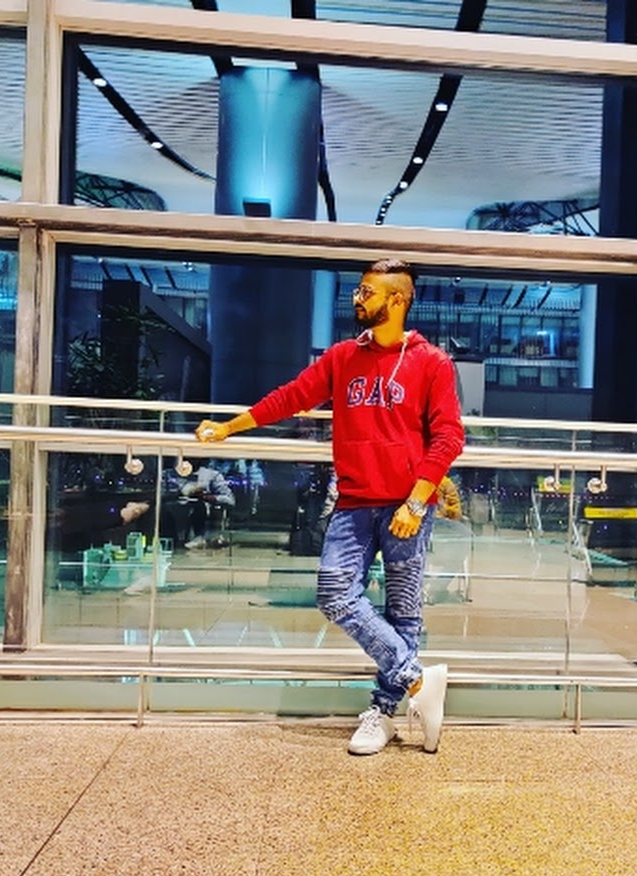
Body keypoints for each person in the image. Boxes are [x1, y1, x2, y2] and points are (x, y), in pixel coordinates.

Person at [195, 258, 465, 755]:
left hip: (407, 506)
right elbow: (293, 397)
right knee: (335, 594)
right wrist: (229, 427)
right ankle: (418, 682)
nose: (357, 298)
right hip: (354, 502)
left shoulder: (432, 362)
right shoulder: (344, 357)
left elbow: (448, 436)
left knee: (403, 613)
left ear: (397, 300)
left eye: (368, 292)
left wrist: (416, 501)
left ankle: (384, 714)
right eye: (358, 290)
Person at [178, 465, 236, 549]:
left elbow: (230, 500)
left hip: (202, 531)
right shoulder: (169, 474)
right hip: (174, 528)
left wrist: (205, 497)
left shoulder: (211, 475)